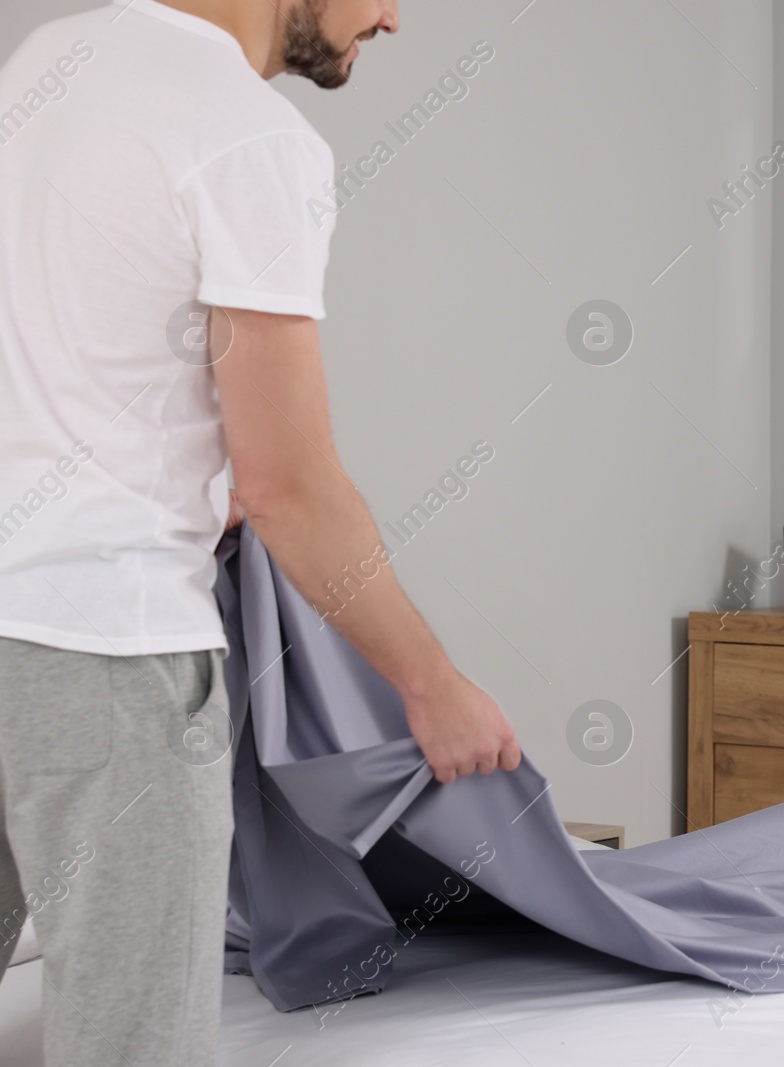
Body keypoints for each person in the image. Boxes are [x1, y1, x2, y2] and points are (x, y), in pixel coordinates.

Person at [0, 2, 519, 1063]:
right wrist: (433, 685)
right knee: (132, 1042)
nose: (393, 17)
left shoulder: (48, 57)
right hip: (108, 658)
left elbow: (65, 350)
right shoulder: (250, 136)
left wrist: (178, 467)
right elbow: (292, 490)